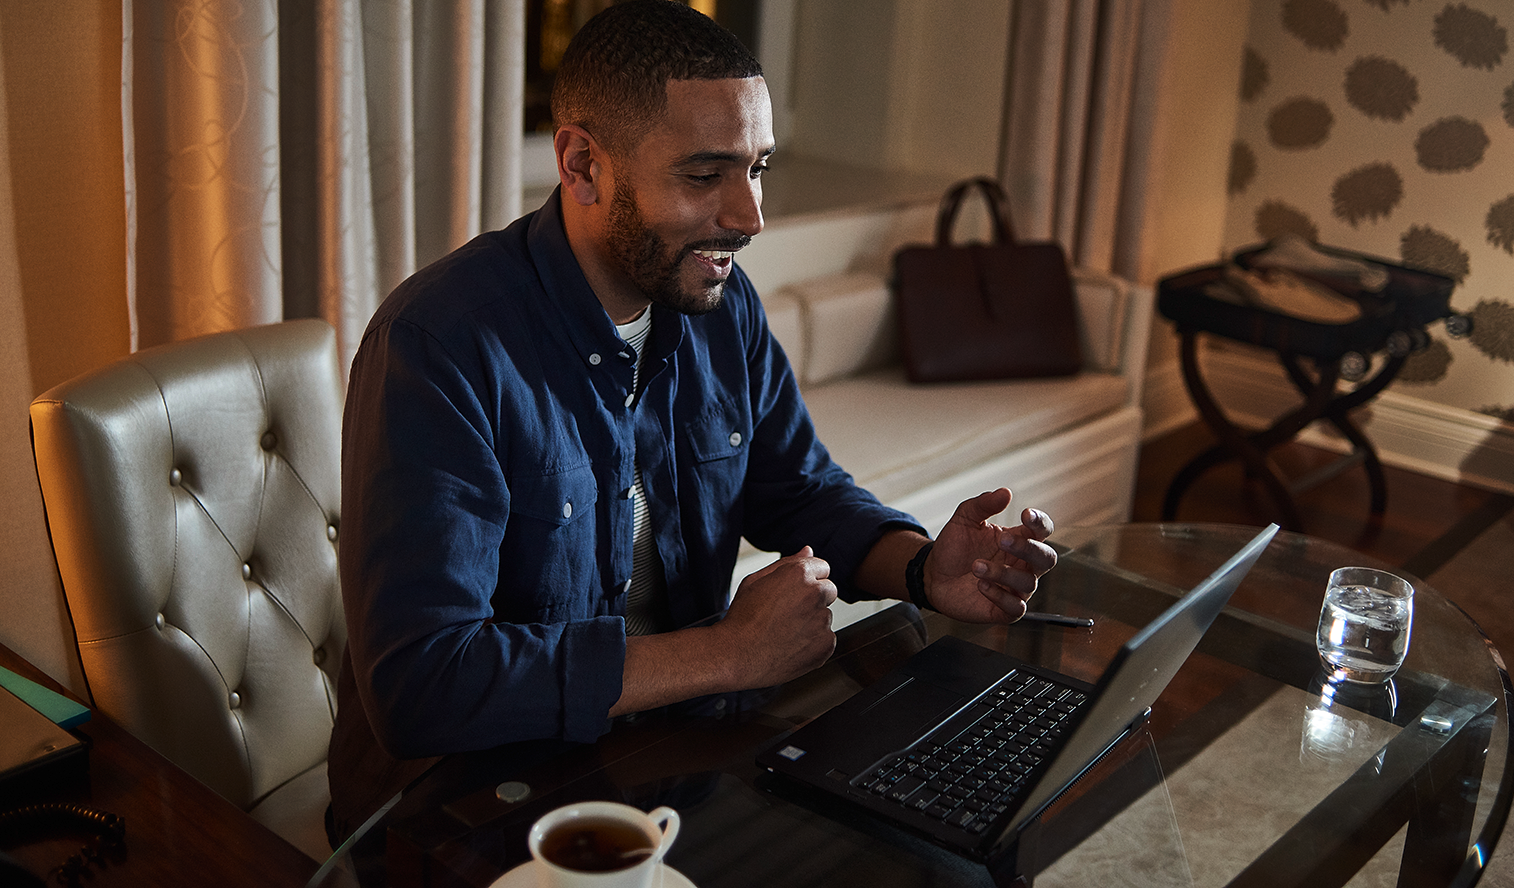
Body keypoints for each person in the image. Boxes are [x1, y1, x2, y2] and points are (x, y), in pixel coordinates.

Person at [326, 0, 1058, 844]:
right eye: (705, 175)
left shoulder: (720, 303)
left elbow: (799, 488)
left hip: (668, 764)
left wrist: (925, 569)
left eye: (757, 169)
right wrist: (728, 654)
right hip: (470, 812)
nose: (749, 216)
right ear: (582, 165)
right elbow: (423, 685)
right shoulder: (439, 346)